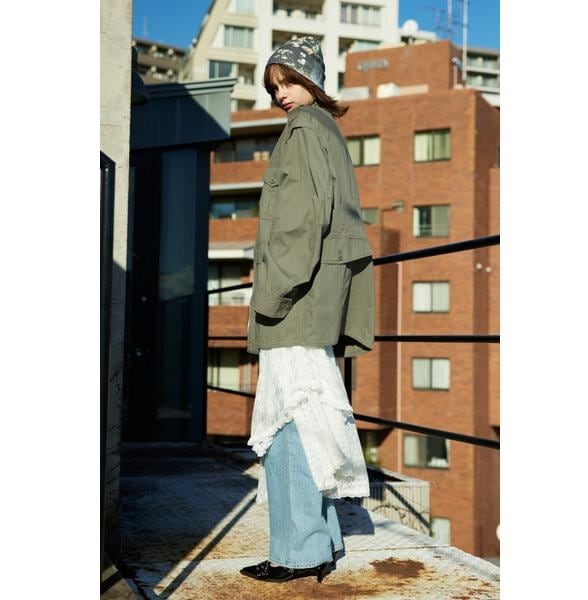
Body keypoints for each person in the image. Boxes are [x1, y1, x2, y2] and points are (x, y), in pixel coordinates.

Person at [240, 36, 375, 584]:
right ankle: (318, 543)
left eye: (290, 81)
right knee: (309, 419)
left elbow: (298, 225)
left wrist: (269, 297)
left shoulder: (301, 130)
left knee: (289, 422)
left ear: (313, 81)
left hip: (295, 302)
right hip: (319, 298)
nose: (281, 95)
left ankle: (297, 553)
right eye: (274, 87)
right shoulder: (327, 130)